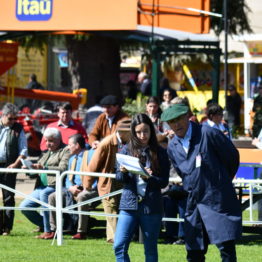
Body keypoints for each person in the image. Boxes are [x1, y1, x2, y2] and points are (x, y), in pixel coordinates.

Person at [161, 104, 242, 262]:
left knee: (226, 251)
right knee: (194, 253)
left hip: (217, 200)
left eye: (178, 119)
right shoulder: (172, 147)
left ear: (187, 116)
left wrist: (220, 182)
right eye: (171, 122)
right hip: (194, 204)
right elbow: (183, 173)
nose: (176, 124)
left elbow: (232, 157)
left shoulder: (208, 133)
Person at [113, 114, 170, 261]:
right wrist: (124, 173)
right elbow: (118, 178)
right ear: (133, 132)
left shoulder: (160, 152)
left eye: (146, 131)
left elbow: (164, 182)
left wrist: (149, 179)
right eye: (138, 132)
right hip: (128, 204)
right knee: (119, 246)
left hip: (151, 206)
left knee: (150, 250)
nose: (142, 135)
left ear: (151, 131)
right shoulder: (125, 150)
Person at [83, 119, 132, 243]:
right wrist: (87, 184)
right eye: (130, 132)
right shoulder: (106, 143)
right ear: (122, 133)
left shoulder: (129, 142)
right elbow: (93, 164)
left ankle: (117, 237)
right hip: (107, 181)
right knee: (110, 207)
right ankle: (115, 238)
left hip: (123, 178)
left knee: (121, 208)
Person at [20, 128, 70, 239]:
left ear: (58, 140)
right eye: (46, 141)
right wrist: (29, 168)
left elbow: (63, 168)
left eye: (51, 141)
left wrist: (44, 167)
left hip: (56, 186)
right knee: (24, 207)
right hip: (42, 186)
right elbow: (38, 169)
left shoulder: (66, 150)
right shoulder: (46, 152)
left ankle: (49, 231)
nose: (48, 143)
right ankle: (46, 225)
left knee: (44, 195)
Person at [47, 134, 98, 240]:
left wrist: (86, 188)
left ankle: (81, 231)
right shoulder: (72, 159)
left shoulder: (91, 155)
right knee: (52, 196)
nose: (68, 147)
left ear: (77, 145)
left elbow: (98, 176)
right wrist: (71, 188)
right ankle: (54, 230)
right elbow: (67, 179)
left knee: (82, 197)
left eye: (70, 145)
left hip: (90, 189)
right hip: (73, 188)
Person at [0, 103, 28, 236]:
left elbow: (23, 149)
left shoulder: (18, 129)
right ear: (3, 115)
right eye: (10, 119)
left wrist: (16, 164)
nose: (13, 122)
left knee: (8, 197)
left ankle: (7, 228)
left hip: (9, 166)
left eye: (15, 119)